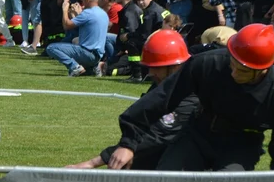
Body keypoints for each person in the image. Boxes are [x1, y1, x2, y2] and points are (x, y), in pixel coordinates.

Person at [116, 24, 274, 171]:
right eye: (232, 63)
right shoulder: (205, 64)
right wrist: (128, 143)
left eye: (243, 71)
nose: (234, 73)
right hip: (197, 134)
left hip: (241, 145)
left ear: (263, 70)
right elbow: (161, 98)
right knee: (169, 180)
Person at [68, 30, 198, 169]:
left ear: (174, 67)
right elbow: (142, 122)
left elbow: (156, 134)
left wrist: (93, 163)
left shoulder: (193, 95)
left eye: (156, 68)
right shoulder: (164, 84)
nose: (150, 73)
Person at [45, 0, 109, 76]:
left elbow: (67, 25)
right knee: (75, 41)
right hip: (97, 55)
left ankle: (74, 66)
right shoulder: (103, 13)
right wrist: (77, 14)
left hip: (87, 53)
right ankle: (94, 67)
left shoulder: (87, 13)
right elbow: (87, 26)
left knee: (51, 48)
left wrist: (64, 9)